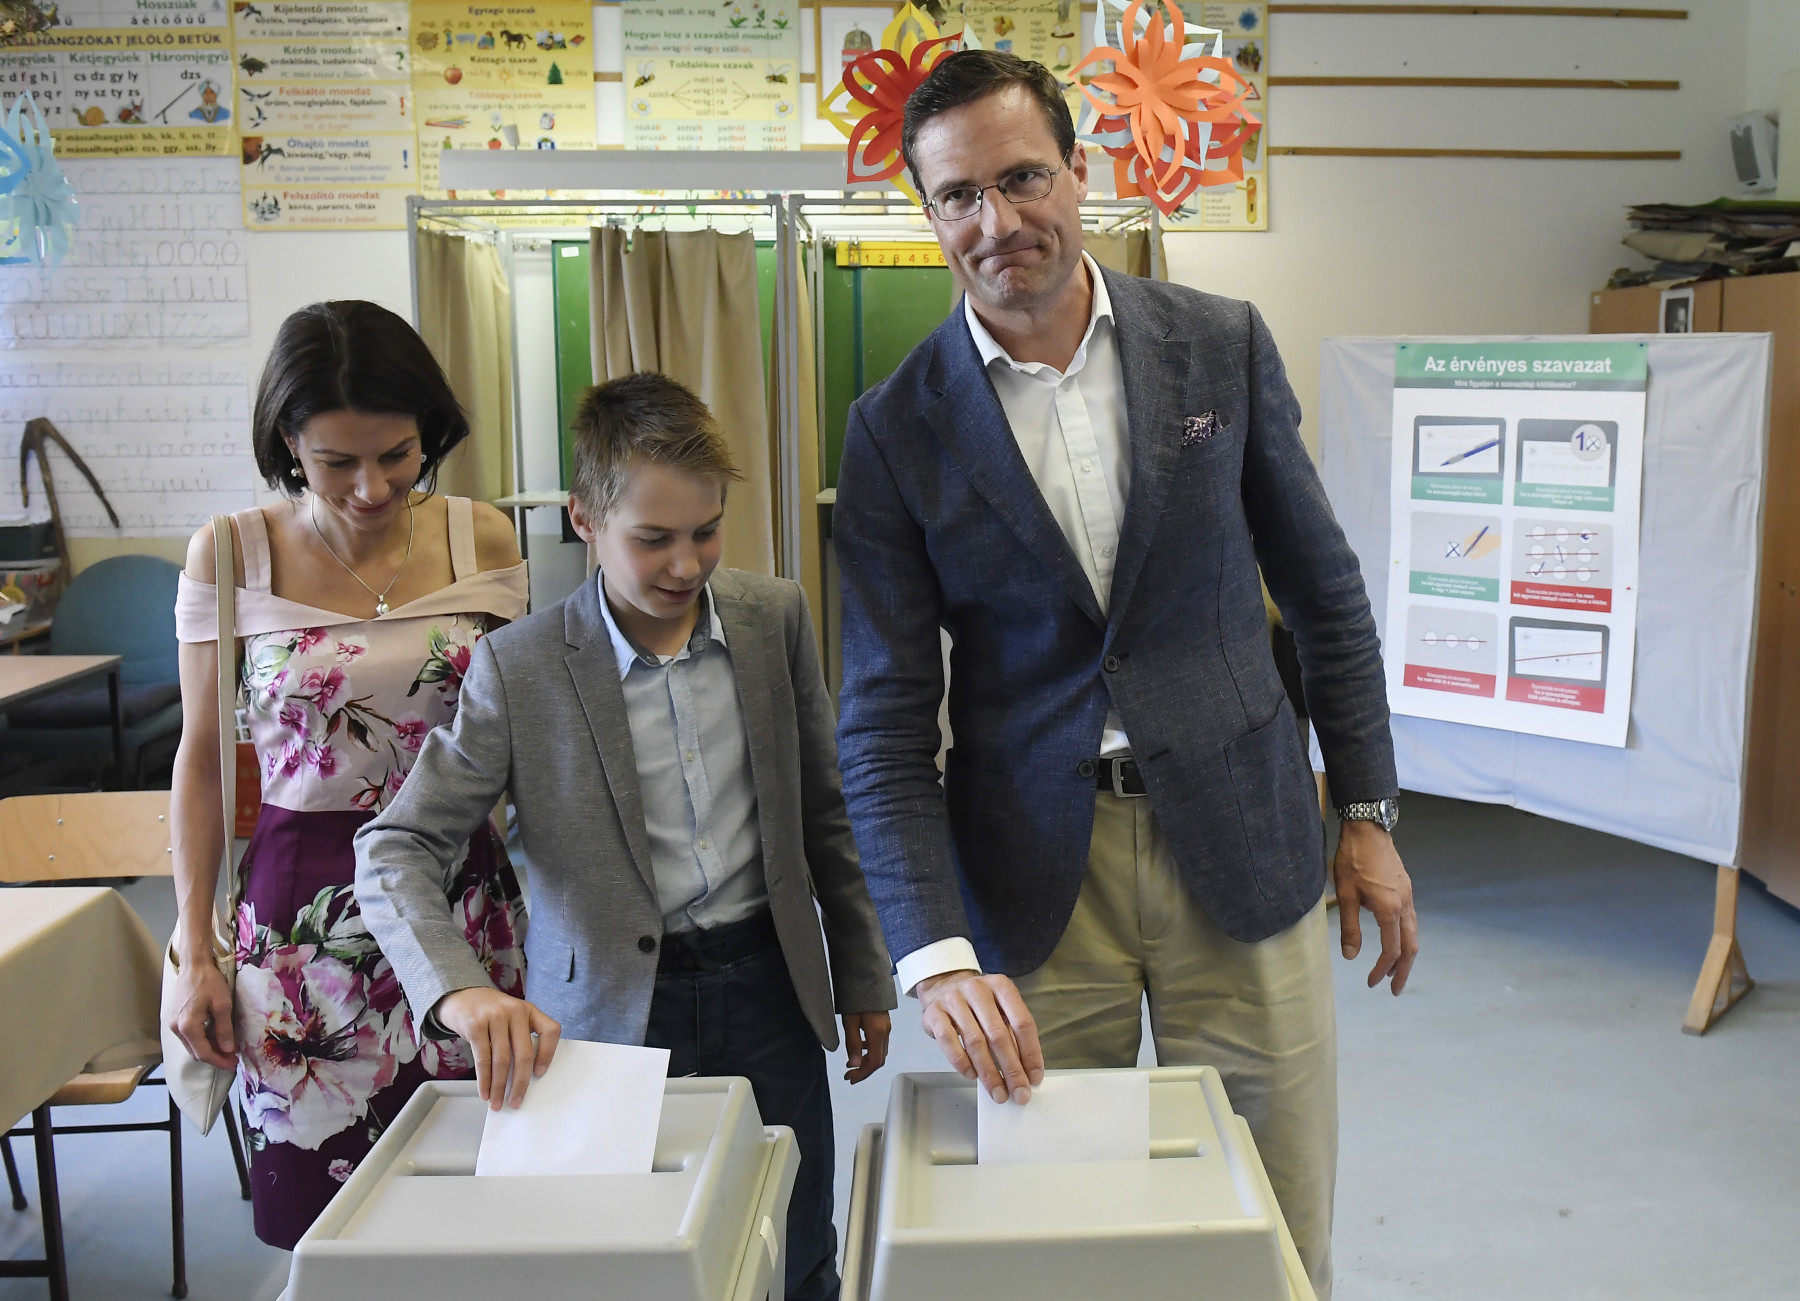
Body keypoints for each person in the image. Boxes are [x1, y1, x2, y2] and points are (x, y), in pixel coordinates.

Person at [831, 51, 1419, 1298]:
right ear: (929, 213)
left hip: (1245, 840)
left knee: (1278, 1228)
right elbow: (882, 721)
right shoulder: (895, 427)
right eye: (959, 196)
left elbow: (1324, 593)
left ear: (1078, 172)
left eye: (1022, 177)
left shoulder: (1217, 344)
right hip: (1036, 878)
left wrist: (1367, 810)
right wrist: (932, 950)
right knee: (1059, 1236)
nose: (998, 221)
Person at [354, 371, 896, 1301]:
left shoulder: (773, 618)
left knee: (796, 1244)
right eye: (653, 539)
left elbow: (825, 813)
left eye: (706, 532)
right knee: (635, 1262)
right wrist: (460, 989)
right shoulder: (519, 667)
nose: (686, 564)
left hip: (770, 986)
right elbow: (394, 848)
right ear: (585, 518)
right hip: (610, 1018)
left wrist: (863, 973)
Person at [164, 300, 531, 1248]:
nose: (372, 487)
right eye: (336, 461)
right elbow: (201, 762)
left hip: (461, 899)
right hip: (300, 924)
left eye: (398, 455)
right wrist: (195, 949)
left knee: (476, 1208)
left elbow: (530, 737)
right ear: (289, 441)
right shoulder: (232, 551)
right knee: (323, 1218)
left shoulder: (480, 538)